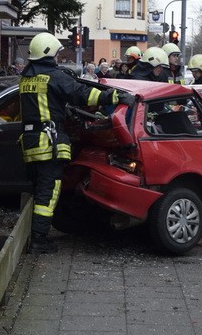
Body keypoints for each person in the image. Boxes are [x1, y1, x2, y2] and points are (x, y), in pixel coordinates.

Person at [19, 32, 131, 253]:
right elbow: (82, 94)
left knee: (38, 188)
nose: (58, 58)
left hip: (31, 142)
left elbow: (47, 104)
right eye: (57, 53)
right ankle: (38, 240)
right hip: (48, 143)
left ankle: (36, 235)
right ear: (49, 53)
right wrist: (113, 97)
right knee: (48, 191)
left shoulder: (27, 78)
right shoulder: (53, 76)